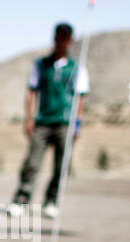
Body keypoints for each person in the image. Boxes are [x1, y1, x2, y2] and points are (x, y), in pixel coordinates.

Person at [10, 23, 90, 219]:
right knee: (32, 162)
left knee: (62, 165)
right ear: (54, 38)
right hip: (43, 120)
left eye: (65, 37)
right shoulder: (41, 65)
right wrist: (29, 117)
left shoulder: (77, 68)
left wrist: (77, 124)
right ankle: (21, 200)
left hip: (65, 122)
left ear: (70, 40)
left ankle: (51, 201)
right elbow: (32, 91)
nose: (61, 41)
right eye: (58, 37)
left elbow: (80, 97)